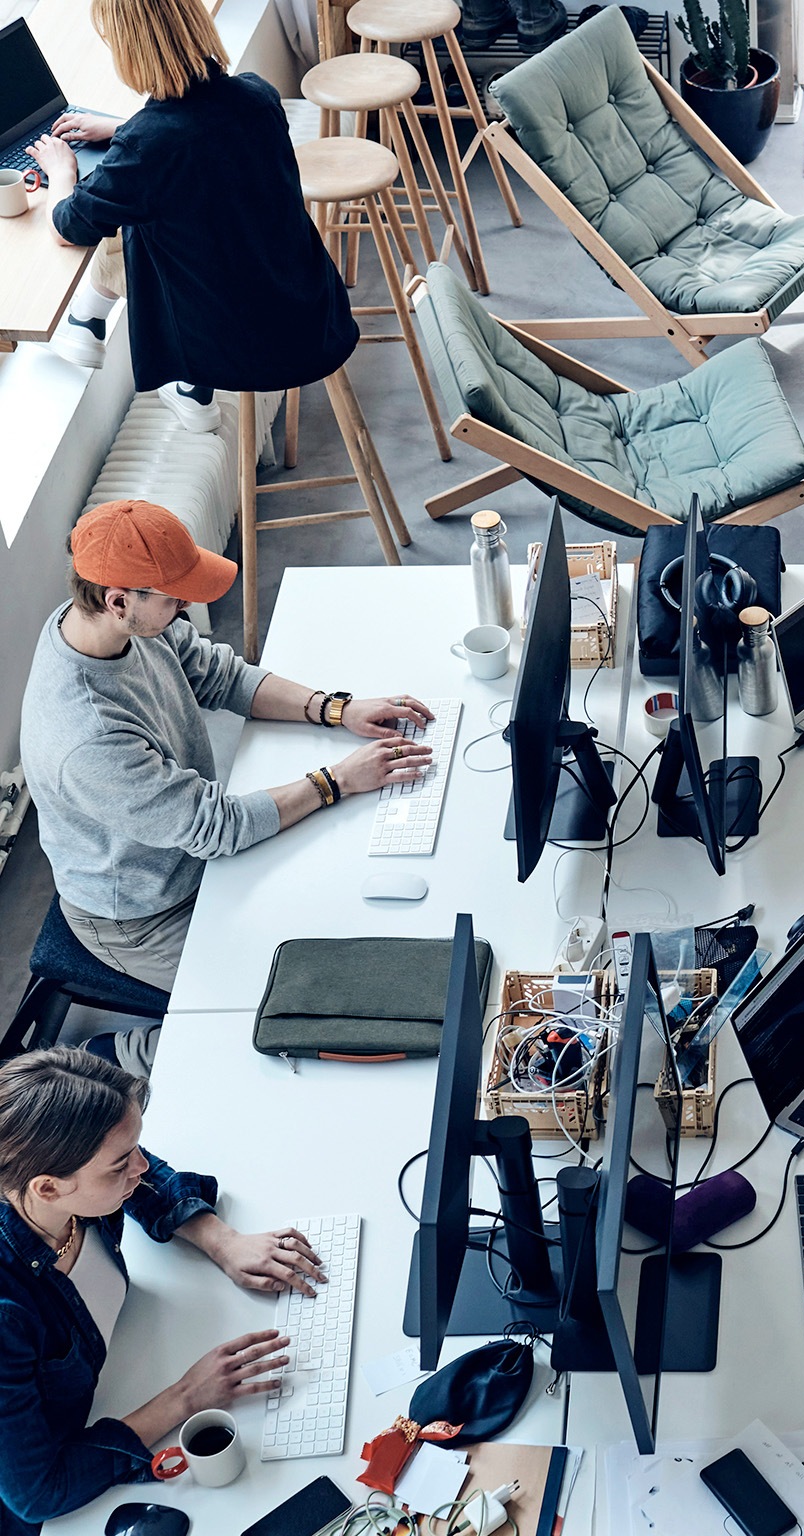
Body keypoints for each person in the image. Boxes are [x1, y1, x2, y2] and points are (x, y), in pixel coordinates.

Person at [18, 499, 433, 1072]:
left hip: (193, 855)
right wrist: (338, 779)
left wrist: (336, 709)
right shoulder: (85, 735)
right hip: (145, 913)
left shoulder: (118, 626)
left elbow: (221, 675)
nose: (185, 606)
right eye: (174, 597)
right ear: (119, 599)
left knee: (347, 918)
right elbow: (217, 826)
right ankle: (118, 1055)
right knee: (290, 1007)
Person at [0, 1047, 324, 1533]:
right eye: (119, 1166)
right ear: (48, 1188)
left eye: (135, 1150)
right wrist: (186, 1397)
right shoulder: (7, 1314)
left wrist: (221, 1240)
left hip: (128, 1362)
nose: (139, 1168)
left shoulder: (70, 1186)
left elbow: (144, 1178)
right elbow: (38, 1492)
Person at [25, 0, 356, 431]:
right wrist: (122, 130)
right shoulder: (258, 96)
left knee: (135, 218)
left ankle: (164, 368)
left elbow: (67, 226)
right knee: (165, 202)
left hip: (240, 350)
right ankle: (87, 323)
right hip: (312, 317)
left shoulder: (147, 145)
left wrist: (61, 170)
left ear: (129, 50)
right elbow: (200, 139)